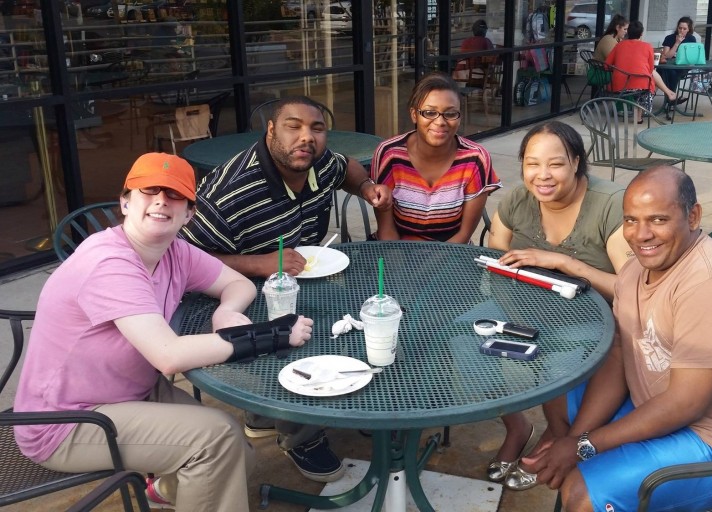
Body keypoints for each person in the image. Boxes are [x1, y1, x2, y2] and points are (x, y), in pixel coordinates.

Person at [13, 153, 315, 511]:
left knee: (235, 451)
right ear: (125, 202)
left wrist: (226, 311)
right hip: (67, 422)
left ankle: (166, 491)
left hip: (130, 392)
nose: (160, 200)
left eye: (174, 195)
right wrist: (274, 335)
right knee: (215, 443)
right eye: (149, 190)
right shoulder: (109, 261)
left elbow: (237, 283)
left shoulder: (175, 251)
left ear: (189, 214)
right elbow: (168, 355)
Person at [506, 166, 712, 512]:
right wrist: (573, 440)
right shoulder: (638, 268)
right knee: (560, 384)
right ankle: (567, 448)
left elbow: (685, 403)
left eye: (658, 220)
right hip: (660, 408)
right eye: (630, 220)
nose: (641, 235)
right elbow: (617, 357)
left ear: (693, 215)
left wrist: (584, 445)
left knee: (582, 494)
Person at [181, 95, 391, 483]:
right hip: (233, 292)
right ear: (272, 130)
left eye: (316, 128)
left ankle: (265, 414)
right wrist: (259, 264)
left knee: (347, 310)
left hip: (301, 279)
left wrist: (365, 187)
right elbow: (184, 259)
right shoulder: (230, 191)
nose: (306, 137)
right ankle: (302, 436)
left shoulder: (320, 162)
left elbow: (347, 168)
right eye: (294, 126)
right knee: (300, 333)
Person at [484, 121, 629, 485]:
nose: (542, 175)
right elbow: (493, 251)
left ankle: (559, 436)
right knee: (464, 343)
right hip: (523, 307)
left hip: (593, 316)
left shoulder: (609, 205)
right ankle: (517, 425)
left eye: (556, 164)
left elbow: (634, 289)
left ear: (577, 162)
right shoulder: (520, 198)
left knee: (555, 362)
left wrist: (564, 263)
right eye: (532, 163)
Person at [371, 72, 501, 243]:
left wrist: (434, 268)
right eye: (430, 113)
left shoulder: (476, 159)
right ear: (414, 115)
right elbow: (387, 230)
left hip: (452, 253)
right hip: (395, 249)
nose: (440, 122)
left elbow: (463, 235)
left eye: (450, 113)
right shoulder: (389, 154)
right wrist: (401, 266)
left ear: (459, 117)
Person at [605, 21, 681, 123]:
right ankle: (639, 118)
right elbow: (650, 69)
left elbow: (606, 64)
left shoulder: (619, 45)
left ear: (628, 33)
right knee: (644, 82)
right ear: (641, 34)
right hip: (640, 85)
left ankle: (669, 93)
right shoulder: (647, 46)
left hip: (619, 85)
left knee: (642, 80)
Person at [660, 16, 697, 92]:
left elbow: (691, 57)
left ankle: (670, 97)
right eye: (680, 28)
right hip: (668, 65)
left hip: (682, 66)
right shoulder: (669, 38)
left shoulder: (691, 39)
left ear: (688, 29)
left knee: (670, 73)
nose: (681, 31)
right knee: (665, 71)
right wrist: (677, 43)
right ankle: (671, 97)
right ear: (677, 28)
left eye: (684, 29)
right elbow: (667, 56)